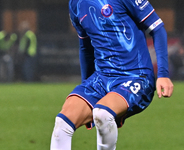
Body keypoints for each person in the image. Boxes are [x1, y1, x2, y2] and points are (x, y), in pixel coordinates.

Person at [50, 0, 174, 150]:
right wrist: (87, 94)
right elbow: (85, 48)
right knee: (62, 124)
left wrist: (163, 74)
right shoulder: (75, 4)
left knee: (102, 113)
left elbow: (157, 28)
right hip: (102, 78)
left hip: (136, 76)